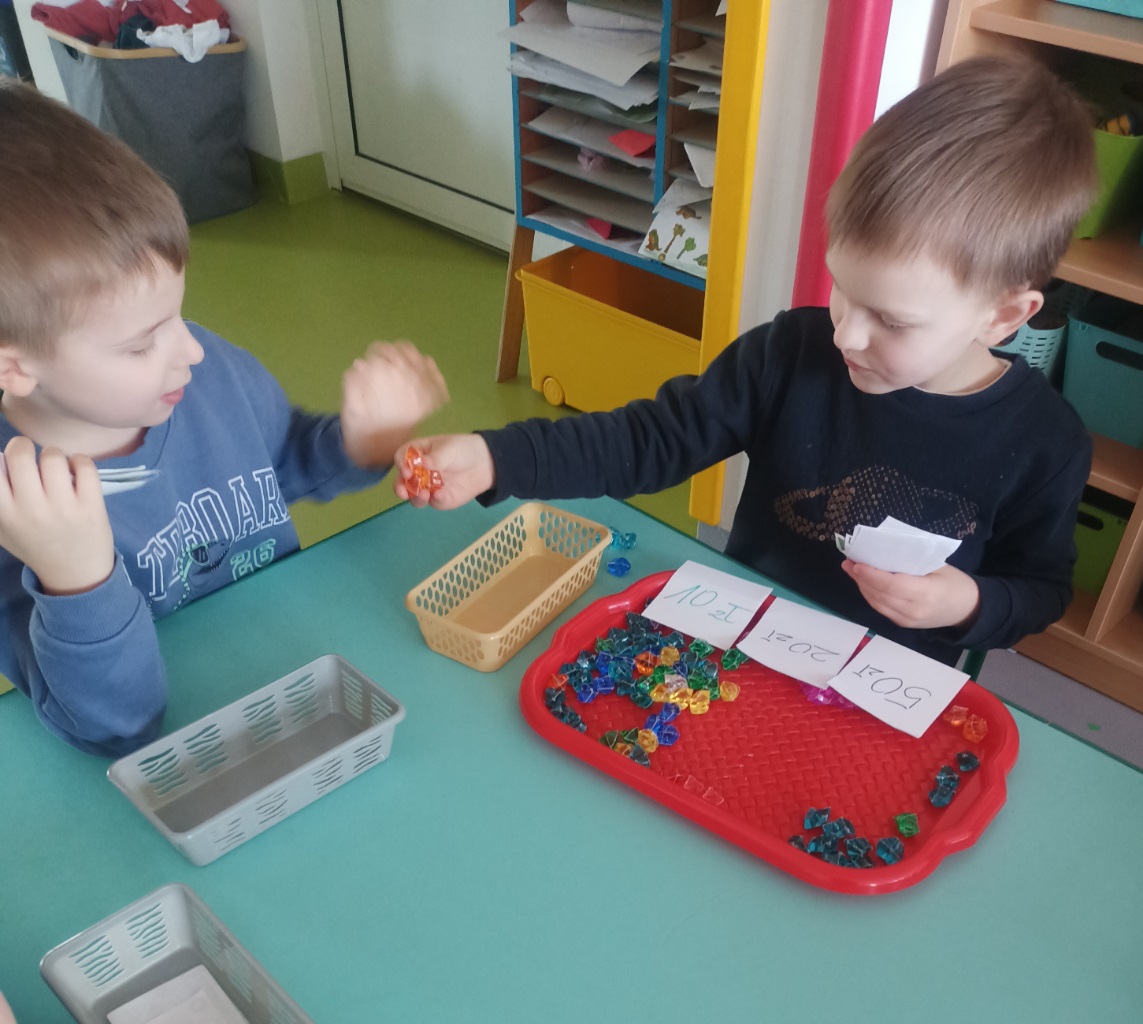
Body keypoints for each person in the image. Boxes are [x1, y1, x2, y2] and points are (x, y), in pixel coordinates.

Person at [394, 55, 1098, 668]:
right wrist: (496, 458)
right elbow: (649, 439)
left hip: (886, 692)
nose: (847, 336)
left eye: (891, 320)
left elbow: (1038, 591)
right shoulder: (790, 352)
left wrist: (967, 604)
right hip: (740, 651)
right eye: (842, 289)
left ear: (1003, 316)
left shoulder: (1045, 442)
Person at [0, 81, 447, 756]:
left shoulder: (201, 377)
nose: (191, 350)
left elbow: (283, 459)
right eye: (141, 344)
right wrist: (77, 581)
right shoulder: (19, 512)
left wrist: (362, 443)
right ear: (14, 368)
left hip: (295, 684)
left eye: (178, 314)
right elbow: (112, 728)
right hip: (185, 756)